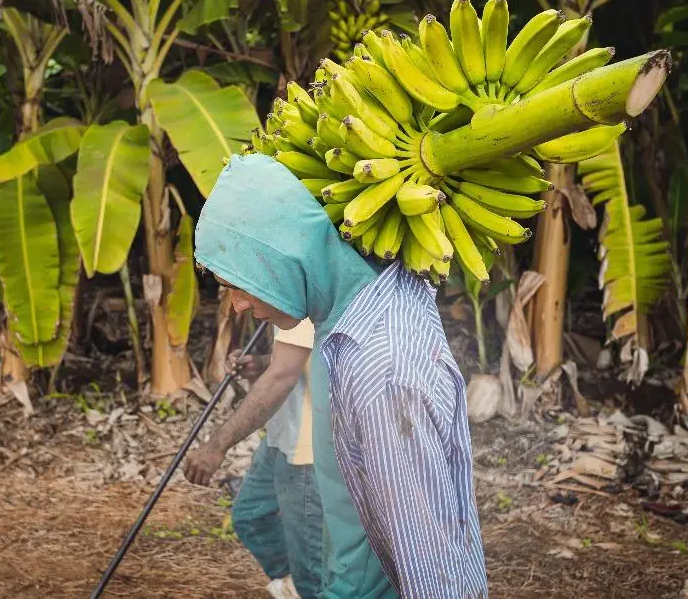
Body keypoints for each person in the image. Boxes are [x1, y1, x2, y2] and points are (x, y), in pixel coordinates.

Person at [194, 152, 488, 599]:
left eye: (236, 283)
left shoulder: (382, 371)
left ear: (281, 256)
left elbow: (430, 561)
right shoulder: (352, 314)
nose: (236, 305)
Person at [182, 319, 322, 599]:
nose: (240, 304)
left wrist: (217, 445)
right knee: (250, 516)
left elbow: (281, 376)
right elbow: (297, 354)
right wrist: (261, 363)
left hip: (306, 448)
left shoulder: (299, 291)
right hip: (281, 434)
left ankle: (310, 587)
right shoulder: (288, 296)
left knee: (312, 567)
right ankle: (298, 585)